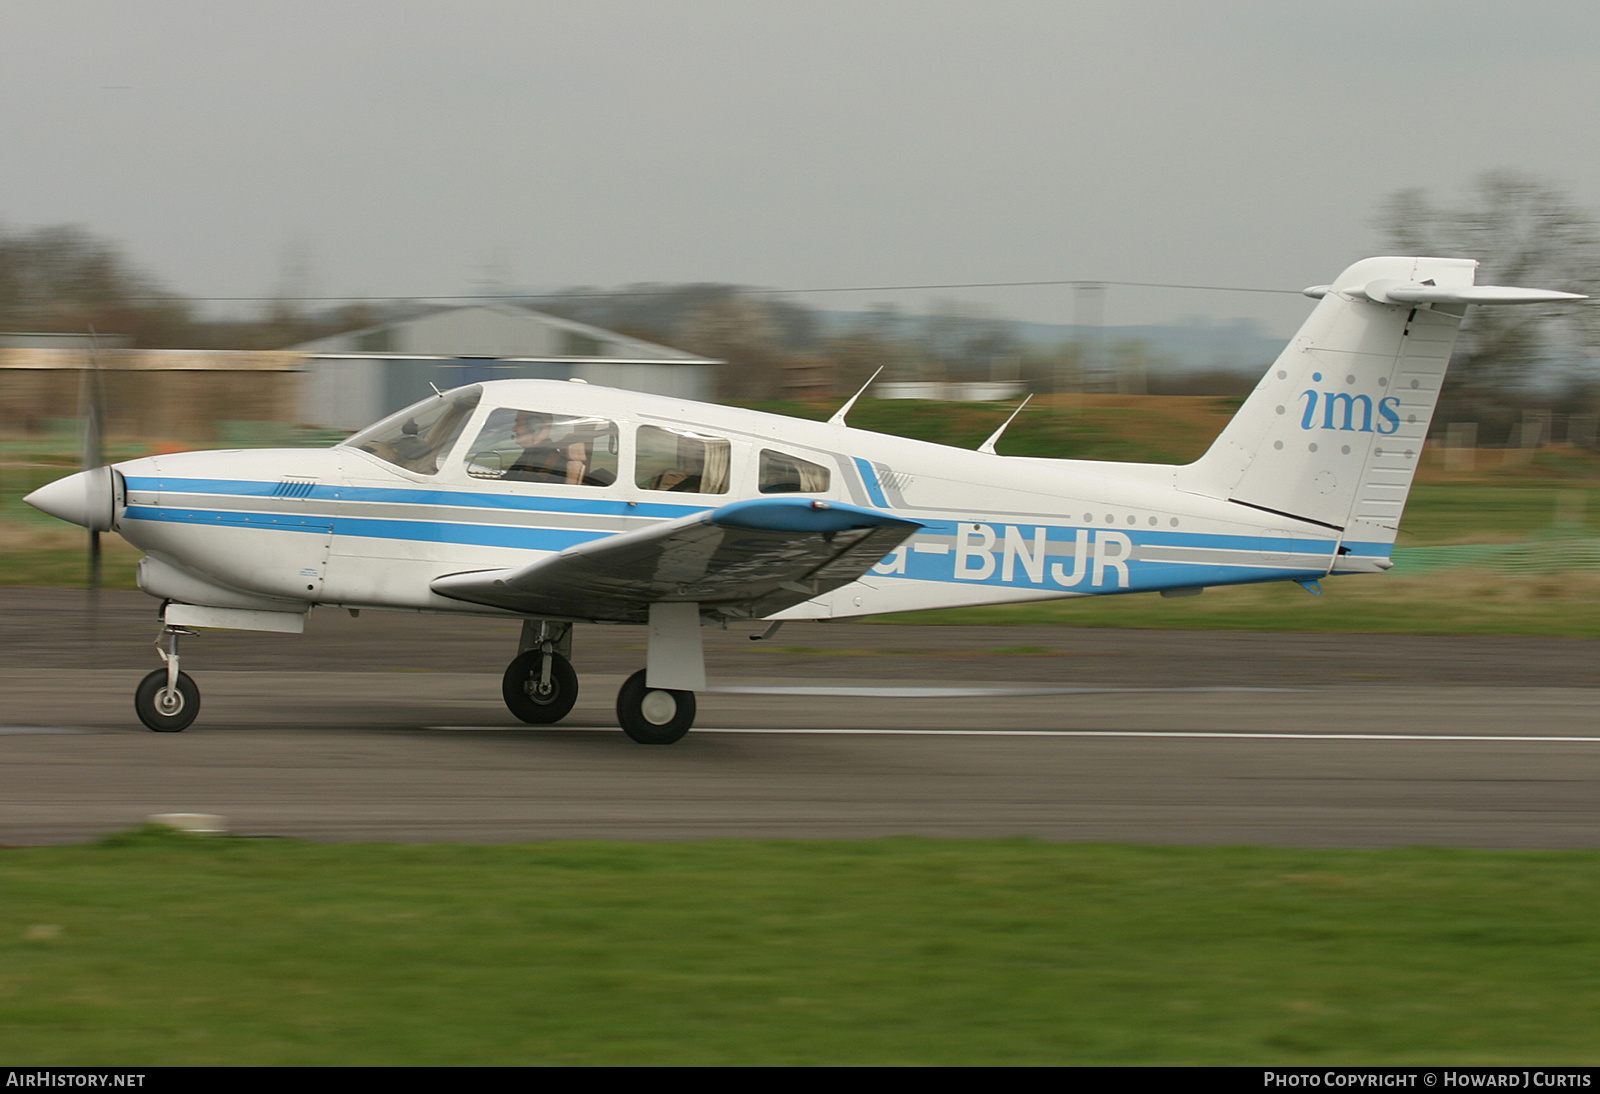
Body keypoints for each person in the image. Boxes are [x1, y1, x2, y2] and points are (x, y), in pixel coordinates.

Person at [505, 411, 587, 484]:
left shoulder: (549, 461)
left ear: (534, 427)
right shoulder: (531, 455)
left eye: (518, 423)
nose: (514, 429)